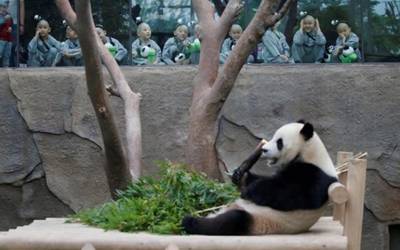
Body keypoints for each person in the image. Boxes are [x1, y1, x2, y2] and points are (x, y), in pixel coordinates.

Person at [0, 0, 12, 67]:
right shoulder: (5, 17)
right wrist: (4, 20)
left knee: (6, 57)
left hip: (8, 40)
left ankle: (6, 71)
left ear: (7, 7)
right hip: (0, 40)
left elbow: (10, 25)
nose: (2, 9)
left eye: (4, 7)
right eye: (0, 6)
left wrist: (10, 28)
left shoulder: (9, 16)